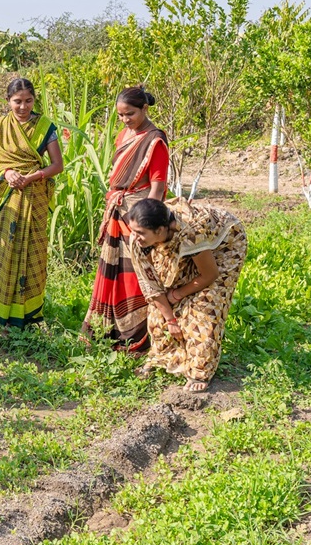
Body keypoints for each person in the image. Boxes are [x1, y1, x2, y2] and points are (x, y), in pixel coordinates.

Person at [128, 197, 247, 393]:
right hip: (188, 245)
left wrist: (178, 294)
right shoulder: (138, 239)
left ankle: (199, 372)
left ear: (159, 230)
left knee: (205, 305)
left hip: (226, 244)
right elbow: (151, 286)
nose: (135, 236)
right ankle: (163, 358)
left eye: (140, 233)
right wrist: (170, 320)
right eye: (133, 231)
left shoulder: (190, 233)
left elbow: (210, 274)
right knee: (160, 309)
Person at [82, 86, 169, 348]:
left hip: (137, 215)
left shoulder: (155, 141)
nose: (125, 120)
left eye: (130, 114)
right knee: (114, 271)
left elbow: (157, 186)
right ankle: (106, 329)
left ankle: (136, 334)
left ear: (145, 109)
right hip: (118, 213)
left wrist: (146, 223)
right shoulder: (124, 135)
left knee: (136, 274)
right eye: (120, 115)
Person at [0, 77, 64, 327]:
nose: (23, 107)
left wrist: (32, 177)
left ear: (34, 100)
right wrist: (7, 173)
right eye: (17, 101)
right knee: (7, 248)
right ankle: (2, 310)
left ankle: (30, 313)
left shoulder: (45, 126)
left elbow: (57, 165)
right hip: (7, 198)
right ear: (8, 101)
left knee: (33, 251)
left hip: (34, 196)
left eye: (28, 101)